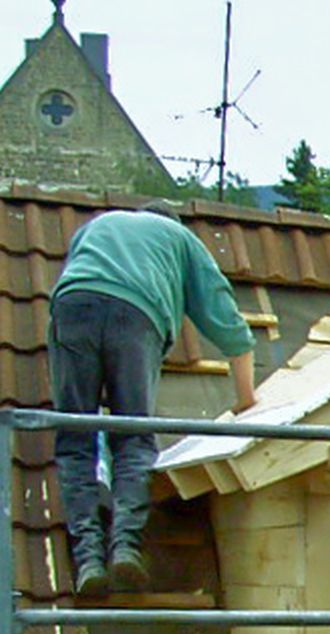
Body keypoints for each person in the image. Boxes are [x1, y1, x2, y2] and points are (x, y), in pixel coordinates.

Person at [47, 201, 257, 595]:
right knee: (133, 436)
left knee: (76, 438)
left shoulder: (99, 225)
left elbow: (71, 292)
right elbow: (226, 322)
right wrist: (246, 400)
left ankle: (88, 559)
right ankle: (125, 548)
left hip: (72, 305)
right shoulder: (179, 238)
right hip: (135, 313)